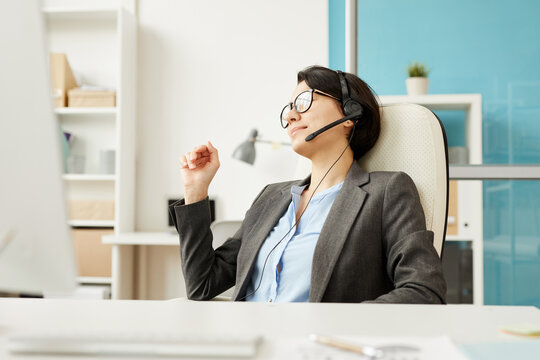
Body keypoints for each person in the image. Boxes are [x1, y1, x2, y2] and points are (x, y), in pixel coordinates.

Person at [170, 65, 446, 303]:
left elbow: (424, 290)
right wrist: (196, 190)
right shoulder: (271, 196)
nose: (290, 116)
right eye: (289, 109)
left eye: (303, 102)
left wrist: (331, 325)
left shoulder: (386, 191)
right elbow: (201, 286)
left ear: (350, 114)